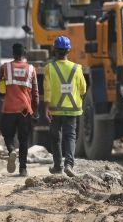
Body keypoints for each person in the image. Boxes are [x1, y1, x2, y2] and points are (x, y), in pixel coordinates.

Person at [0, 43, 39, 177]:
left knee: (7, 134)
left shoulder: (5, 67)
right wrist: (35, 110)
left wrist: (0, 94)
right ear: (25, 55)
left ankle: (11, 149)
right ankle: (23, 169)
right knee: (24, 139)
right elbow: (35, 93)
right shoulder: (31, 69)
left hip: (9, 107)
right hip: (24, 109)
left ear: (13, 54)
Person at [44, 36, 87, 177]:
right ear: (69, 50)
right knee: (70, 137)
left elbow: (47, 89)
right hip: (72, 110)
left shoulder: (49, 68)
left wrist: (46, 107)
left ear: (54, 50)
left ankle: (58, 166)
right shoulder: (77, 68)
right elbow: (83, 89)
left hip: (55, 109)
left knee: (55, 137)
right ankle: (69, 164)